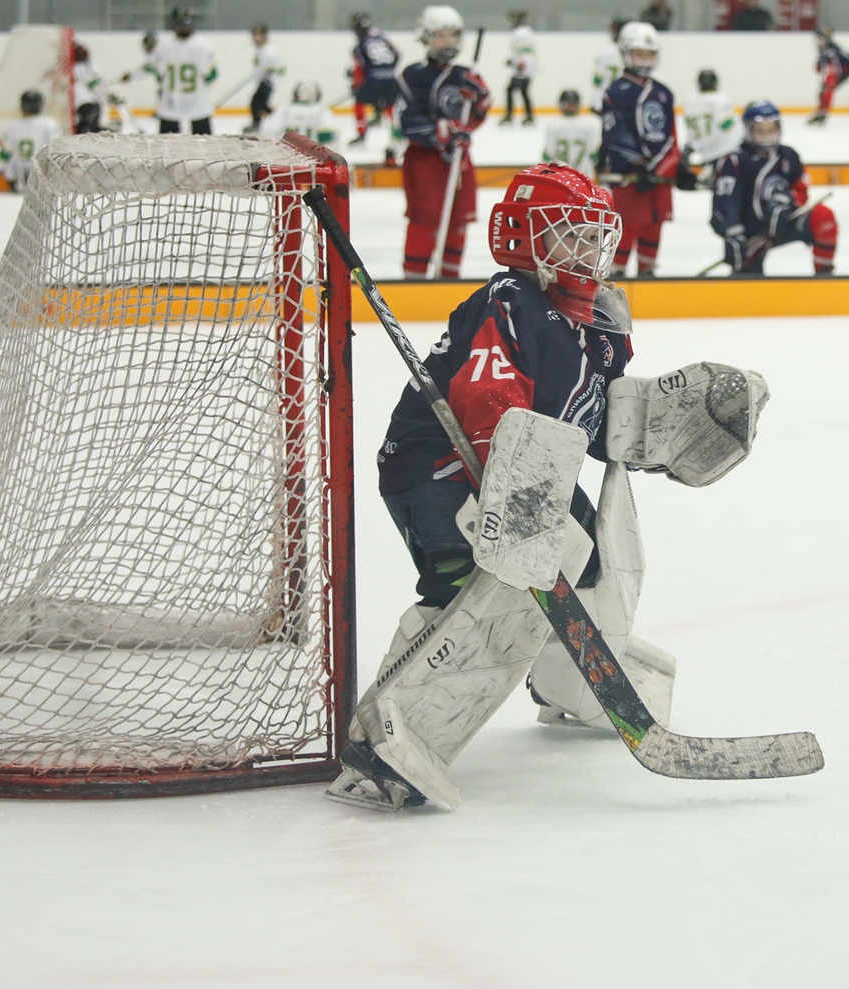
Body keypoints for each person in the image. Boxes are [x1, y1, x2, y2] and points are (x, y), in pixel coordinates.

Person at [325, 163, 769, 812]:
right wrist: (518, 489)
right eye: (568, 235)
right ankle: (386, 741)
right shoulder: (512, 301)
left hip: (534, 469)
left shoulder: (599, 322)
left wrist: (663, 420)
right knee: (477, 587)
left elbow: (595, 422)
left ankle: (578, 690)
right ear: (522, 239)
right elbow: (487, 398)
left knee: (597, 559)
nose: (587, 249)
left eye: (595, 235)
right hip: (443, 469)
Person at [395, 5, 492, 279]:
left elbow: (473, 119)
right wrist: (442, 131)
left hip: (458, 160)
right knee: (425, 219)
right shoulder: (412, 75)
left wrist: (480, 101)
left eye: (452, 35)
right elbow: (408, 121)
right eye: (440, 35)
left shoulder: (464, 74)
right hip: (424, 161)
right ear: (425, 37)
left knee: (459, 219)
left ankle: (450, 279)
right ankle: (414, 279)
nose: (447, 41)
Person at [599, 21, 697, 277]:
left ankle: (648, 271)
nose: (643, 59)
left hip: (658, 177)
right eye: (638, 53)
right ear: (624, 53)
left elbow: (670, 135)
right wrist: (637, 164)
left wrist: (676, 166)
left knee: (655, 223)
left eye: (648, 54)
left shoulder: (664, 92)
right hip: (630, 176)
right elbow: (615, 133)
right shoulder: (616, 92)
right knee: (627, 224)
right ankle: (617, 273)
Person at [710, 101, 838, 276]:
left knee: (823, 217)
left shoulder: (788, 156)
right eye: (760, 131)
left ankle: (824, 276)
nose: (767, 136)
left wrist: (786, 202)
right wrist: (732, 233)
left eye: (771, 130)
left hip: (783, 224)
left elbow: (801, 190)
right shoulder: (734, 161)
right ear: (748, 131)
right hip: (751, 235)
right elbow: (724, 203)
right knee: (749, 287)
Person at [148, 7, 217, 134]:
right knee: (205, 146)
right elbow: (212, 75)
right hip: (199, 105)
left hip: (170, 105)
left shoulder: (163, 48)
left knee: (165, 148)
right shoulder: (204, 46)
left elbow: (159, 76)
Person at [348, 11, 402, 148]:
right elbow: (397, 53)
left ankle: (361, 134)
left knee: (359, 103)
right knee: (391, 106)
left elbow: (360, 68)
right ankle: (399, 133)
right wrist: (388, 70)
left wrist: (356, 83)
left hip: (373, 79)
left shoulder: (360, 45)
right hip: (390, 78)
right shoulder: (382, 37)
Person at [0, 89, 62, 193]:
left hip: (17, 175)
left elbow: (6, 150)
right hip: (42, 175)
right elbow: (58, 148)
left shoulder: (13, 126)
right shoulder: (50, 124)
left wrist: (1, 167)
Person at [683, 69, 739, 178]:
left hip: (699, 152)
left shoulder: (689, 101)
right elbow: (728, 125)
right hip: (721, 151)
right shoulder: (721, 100)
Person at [541, 89, 602, 177]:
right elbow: (594, 153)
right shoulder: (588, 124)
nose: (570, 107)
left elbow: (548, 153)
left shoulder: (554, 125)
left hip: (563, 175)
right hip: (579, 175)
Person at [245, 23, 286, 135]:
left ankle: (258, 124)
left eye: (259, 35)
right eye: (255, 35)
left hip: (269, 81)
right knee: (259, 103)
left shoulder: (270, 51)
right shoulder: (260, 49)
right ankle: (270, 120)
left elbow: (278, 68)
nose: (257, 38)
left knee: (256, 102)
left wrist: (268, 73)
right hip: (264, 80)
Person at [809, 27, 849, 126]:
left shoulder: (831, 51)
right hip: (839, 70)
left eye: (820, 39)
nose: (818, 42)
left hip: (843, 71)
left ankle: (823, 113)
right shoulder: (825, 49)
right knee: (823, 91)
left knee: (827, 90)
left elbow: (836, 65)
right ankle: (821, 112)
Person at [500, 11, 537, 127]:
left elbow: (521, 50)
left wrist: (516, 62)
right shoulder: (529, 32)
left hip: (522, 68)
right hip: (529, 66)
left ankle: (510, 116)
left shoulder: (518, 34)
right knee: (523, 91)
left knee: (510, 90)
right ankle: (529, 116)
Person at [269, 80, 335, 143]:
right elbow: (328, 135)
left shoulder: (285, 108)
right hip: (311, 151)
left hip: (285, 150)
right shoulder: (321, 110)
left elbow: (270, 130)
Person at [591, 18, 627, 111]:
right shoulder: (631, 52)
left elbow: (597, 80)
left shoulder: (605, 53)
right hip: (626, 101)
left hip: (606, 100)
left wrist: (596, 102)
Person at [71, 42, 108, 133]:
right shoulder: (90, 67)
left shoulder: (70, 68)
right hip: (90, 104)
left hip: (76, 106)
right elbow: (96, 87)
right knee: (92, 129)